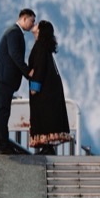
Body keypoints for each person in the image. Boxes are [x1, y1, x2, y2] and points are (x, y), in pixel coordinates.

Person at [0, 7, 36, 153]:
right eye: (32, 21)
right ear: (24, 18)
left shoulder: (14, 32)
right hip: (2, 79)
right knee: (3, 112)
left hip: (3, 79)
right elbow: (15, 55)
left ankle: (4, 144)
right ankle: (3, 146)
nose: (33, 25)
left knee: (4, 112)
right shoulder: (14, 32)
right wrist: (28, 72)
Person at [27, 19, 73, 154]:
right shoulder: (44, 46)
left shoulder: (40, 46)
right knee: (48, 116)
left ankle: (47, 147)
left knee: (44, 116)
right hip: (50, 88)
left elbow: (39, 68)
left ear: (40, 31)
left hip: (44, 90)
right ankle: (47, 146)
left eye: (37, 25)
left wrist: (35, 87)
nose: (34, 26)